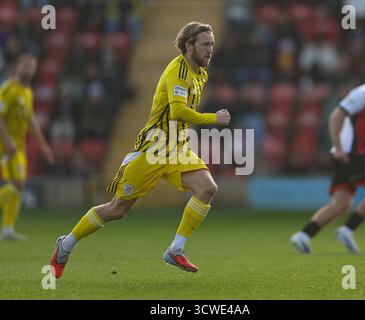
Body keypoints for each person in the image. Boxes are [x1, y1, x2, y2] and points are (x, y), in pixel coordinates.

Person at [50, 22, 231, 278]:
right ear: (189, 46)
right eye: (205, 45)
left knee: (207, 188)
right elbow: (178, 110)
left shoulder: (200, 73)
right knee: (116, 210)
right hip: (153, 149)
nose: (210, 50)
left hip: (176, 148)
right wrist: (214, 119)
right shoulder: (177, 70)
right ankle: (65, 245)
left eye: (212, 44)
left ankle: (176, 248)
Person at [291, 56, 365, 254]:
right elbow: (335, 116)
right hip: (352, 154)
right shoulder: (362, 94)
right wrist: (339, 148)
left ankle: (304, 235)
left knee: (341, 204)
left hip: (352, 155)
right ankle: (348, 229)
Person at [0, 53, 54, 240]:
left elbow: (30, 120)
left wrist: (43, 146)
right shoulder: (8, 89)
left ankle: (7, 229)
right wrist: (7, 141)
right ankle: (7, 228)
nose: (29, 69)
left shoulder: (27, 91)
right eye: (26, 65)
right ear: (18, 66)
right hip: (5, 146)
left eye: (32, 66)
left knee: (18, 187)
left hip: (18, 146)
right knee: (17, 184)